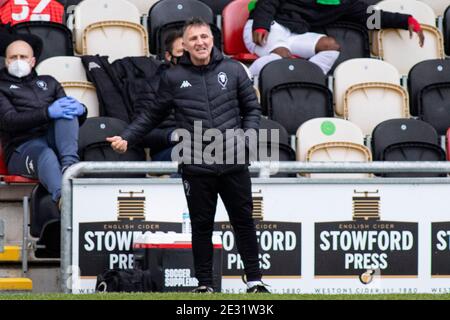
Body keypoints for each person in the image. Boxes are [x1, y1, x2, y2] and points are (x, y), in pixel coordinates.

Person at [107, 18, 269, 293]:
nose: (200, 42)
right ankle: (204, 284)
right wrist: (127, 137)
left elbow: (252, 109)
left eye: (204, 37)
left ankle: (255, 281)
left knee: (243, 223)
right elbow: (150, 115)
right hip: (196, 165)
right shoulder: (172, 78)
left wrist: (247, 138)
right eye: (194, 39)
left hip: (233, 162)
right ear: (184, 45)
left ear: (212, 39)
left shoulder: (233, 69)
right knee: (201, 226)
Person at [0, 34, 86, 206]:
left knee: (66, 112)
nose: (18, 61)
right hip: (21, 148)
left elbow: (68, 112)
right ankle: (65, 200)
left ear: (32, 61)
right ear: (6, 61)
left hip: (52, 139)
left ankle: (69, 167)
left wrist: (82, 110)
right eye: (13, 57)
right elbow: (8, 121)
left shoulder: (49, 82)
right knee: (46, 156)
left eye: (23, 57)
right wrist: (47, 112)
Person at [244, 0, 425, 77]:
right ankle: (246, 79)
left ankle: (307, 78)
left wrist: (405, 20)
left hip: (296, 34)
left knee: (330, 45)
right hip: (267, 27)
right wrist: (261, 24)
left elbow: (370, 17)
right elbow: (267, 2)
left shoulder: (344, 2)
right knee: (282, 54)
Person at [134, 29, 184, 162]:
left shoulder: (208, 81)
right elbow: (141, 133)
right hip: (167, 150)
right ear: (168, 56)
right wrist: (173, 135)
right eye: (181, 52)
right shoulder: (152, 87)